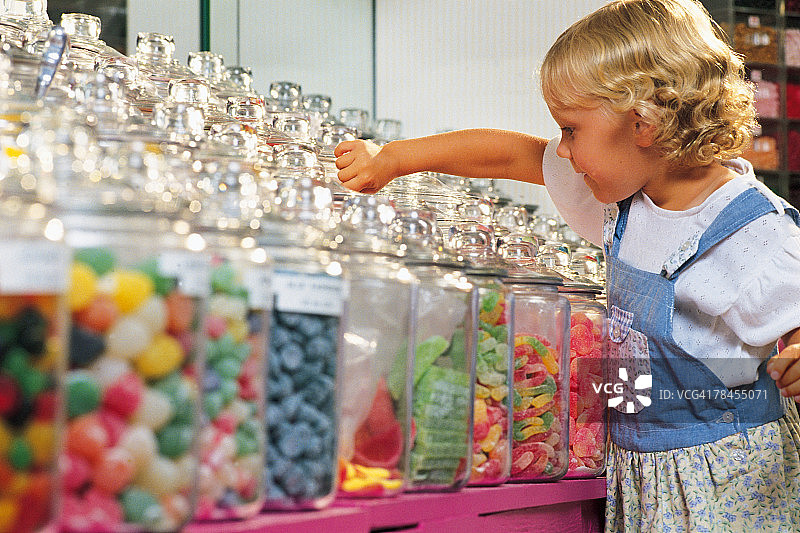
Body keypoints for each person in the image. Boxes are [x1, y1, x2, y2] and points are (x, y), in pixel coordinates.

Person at [333, 0, 800, 530]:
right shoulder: (625, 197)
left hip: (726, 481)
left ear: (642, 123)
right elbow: (515, 156)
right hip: (642, 473)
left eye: (572, 130)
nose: (565, 150)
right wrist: (394, 159)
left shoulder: (746, 229)